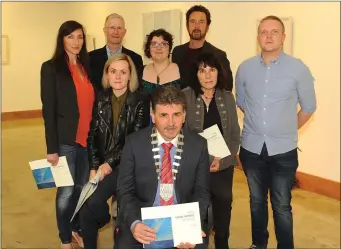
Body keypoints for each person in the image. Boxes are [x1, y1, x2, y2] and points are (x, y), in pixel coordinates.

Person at [236, 15, 317, 249]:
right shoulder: (245, 68)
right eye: (263, 32)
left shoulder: (298, 68)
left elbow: (309, 107)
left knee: (281, 204)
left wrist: (287, 129)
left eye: (274, 32)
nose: (268, 36)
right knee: (255, 201)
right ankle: (258, 244)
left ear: (283, 37)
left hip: (284, 150)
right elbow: (242, 102)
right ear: (258, 37)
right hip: (251, 148)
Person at [115, 86, 210, 249]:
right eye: (164, 115)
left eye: (177, 115)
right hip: (143, 219)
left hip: (182, 219)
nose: (171, 123)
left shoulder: (198, 145)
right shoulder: (134, 143)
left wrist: (191, 225)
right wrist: (135, 223)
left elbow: (202, 192)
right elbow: (124, 191)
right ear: (153, 116)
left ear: (184, 115)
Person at [78, 53, 150, 249]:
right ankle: (100, 221)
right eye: (113, 72)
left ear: (130, 76)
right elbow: (92, 135)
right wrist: (94, 166)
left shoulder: (140, 100)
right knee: (87, 210)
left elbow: (133, 140)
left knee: (104, 207)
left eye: (123, 72)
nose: (118, 77)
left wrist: (108, 164)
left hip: (127, 163)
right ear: (107, 75)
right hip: (102, 163)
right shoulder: (100, 98)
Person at [40, 20, 95, 249]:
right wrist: (51, 148)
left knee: (83, 188)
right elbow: (48, 110)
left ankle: (76, 229)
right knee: (66, 191)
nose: (76, 42)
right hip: (65, 141)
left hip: (87, 139)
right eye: (71, 36)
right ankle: (64, 237)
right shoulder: (51, 67)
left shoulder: (86, 65)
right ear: (62, 39)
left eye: (80, 37)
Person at [182, 53, 240, 249]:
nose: (208, 75)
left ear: (218, 72)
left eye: (212, 70)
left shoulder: (227, 97)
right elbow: (183, 134)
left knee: (223, 202)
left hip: (222, 163)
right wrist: (205, 159)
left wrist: (222, 161)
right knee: (198, 211)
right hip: (195, 164)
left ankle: (223, 242)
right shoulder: (186, 96)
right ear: (195, 74)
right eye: (202, 70)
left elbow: (234, 135)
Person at [172, 5, 233, 91]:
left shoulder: (218, 55)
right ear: (187, 25)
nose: (196, 26)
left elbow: (226, 88)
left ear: (207, 27)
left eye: (201, 22)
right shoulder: (177, 52)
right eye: (192, 21)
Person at [89, 13, 143, 92]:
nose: (116, 32)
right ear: (105, 30)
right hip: (99, 103)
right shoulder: (91, 57)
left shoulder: (135, 59)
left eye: (119, 28)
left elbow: (137, 88)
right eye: (112, 28)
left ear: (124, 32)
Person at [138, 28, 181, 95]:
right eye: (154, 44)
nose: (158, 48)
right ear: (148, 48)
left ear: (169, 48)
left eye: (164, 44)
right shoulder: (140, 71)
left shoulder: (181, 71)